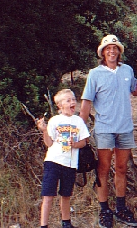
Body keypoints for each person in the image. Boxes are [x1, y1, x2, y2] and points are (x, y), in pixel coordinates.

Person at [79, 34, 137, 228]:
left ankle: (120, 208)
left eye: (115, 48)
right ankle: (104, 210)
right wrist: (79, 128)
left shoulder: (126, 70)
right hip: (104, 129)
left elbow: (136, 91)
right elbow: (86, 103)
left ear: (119, 51)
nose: (112, 51)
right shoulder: (95, 73)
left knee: (121, 169)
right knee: (102, 170)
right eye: (108, 48)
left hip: (124, 128)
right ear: (102, 52)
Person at [36, 89, 90, 228]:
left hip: (70, 164)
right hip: (53, 161)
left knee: (66, 194)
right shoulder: (55, 120)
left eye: (73, 99)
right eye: (68, 100)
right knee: (48, 195)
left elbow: (84, 141)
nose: (72, 102)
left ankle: (66, 222)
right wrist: (44, 131)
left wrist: (75, 144)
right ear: (60, 106)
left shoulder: (78, 121)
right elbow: (49, 143)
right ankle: (44, 225)